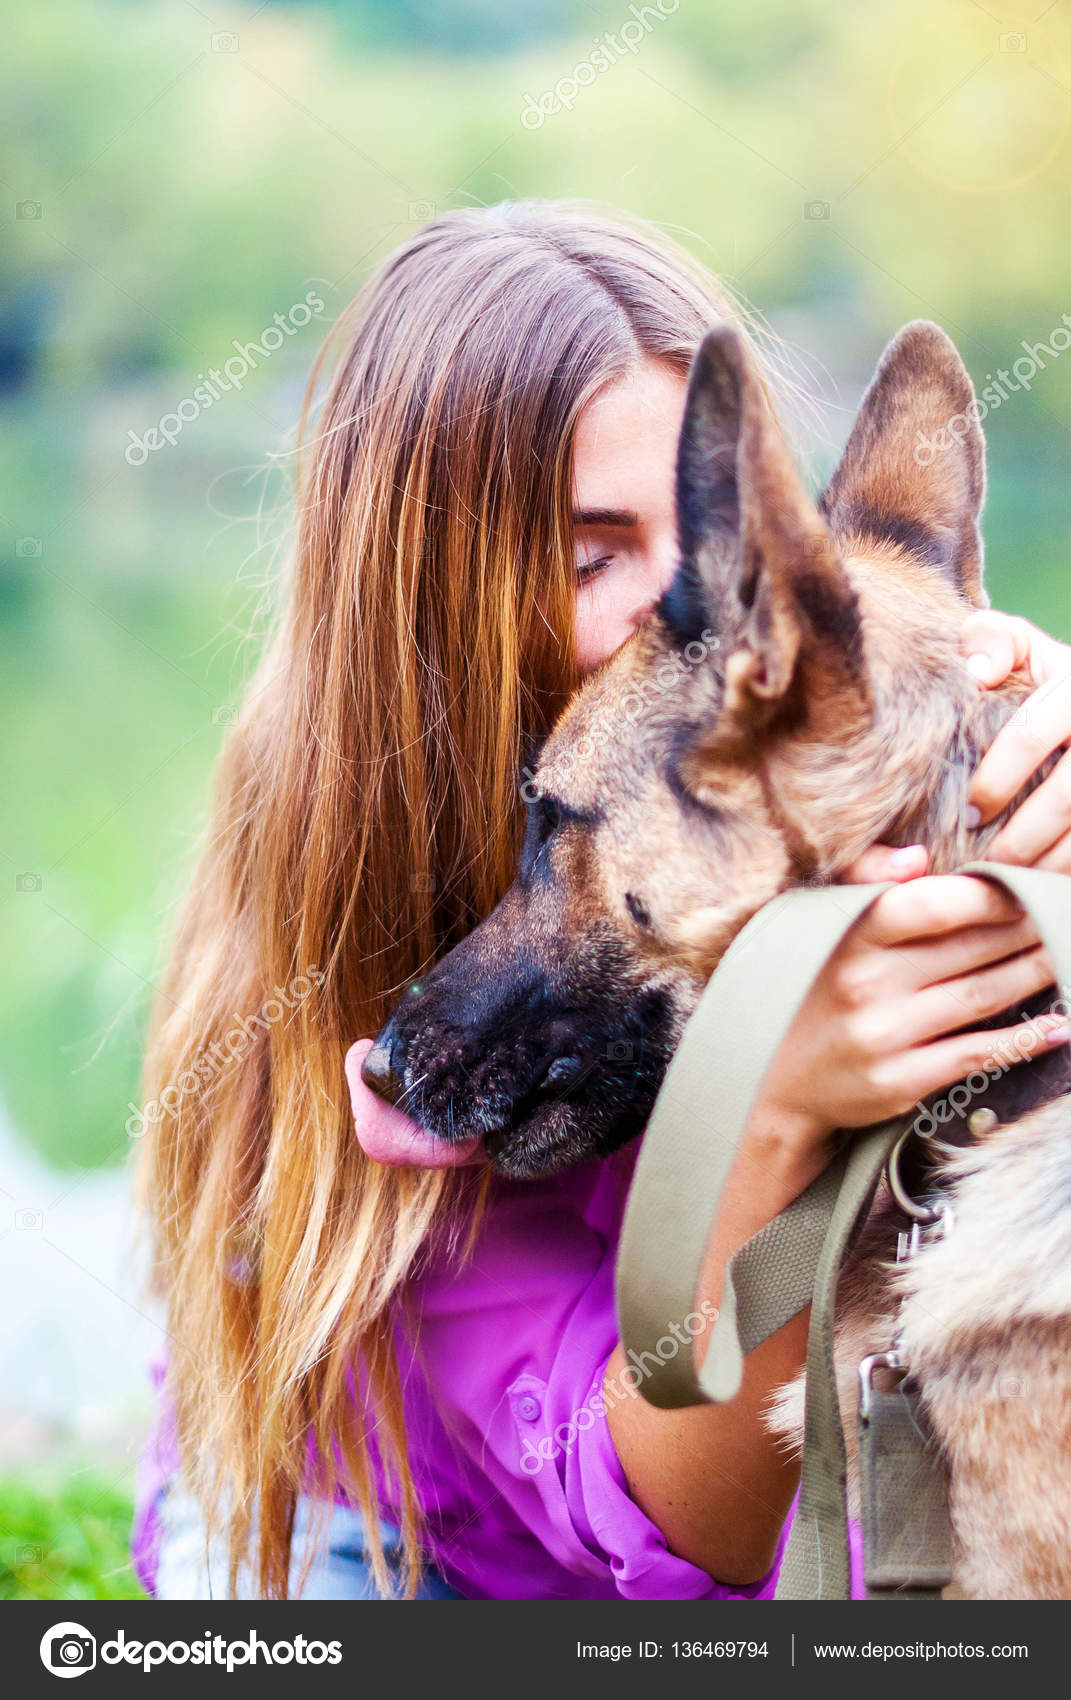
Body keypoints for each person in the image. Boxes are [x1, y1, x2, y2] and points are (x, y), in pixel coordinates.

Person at [133, 201, 1071, 1600]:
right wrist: (770, 1103)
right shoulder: (375, 941)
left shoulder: (772, 759)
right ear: (429, 593)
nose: (677, 618)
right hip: (408, 1539)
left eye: (712, 544)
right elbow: (675, 1517)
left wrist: (1013, 733)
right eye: (587, 556)